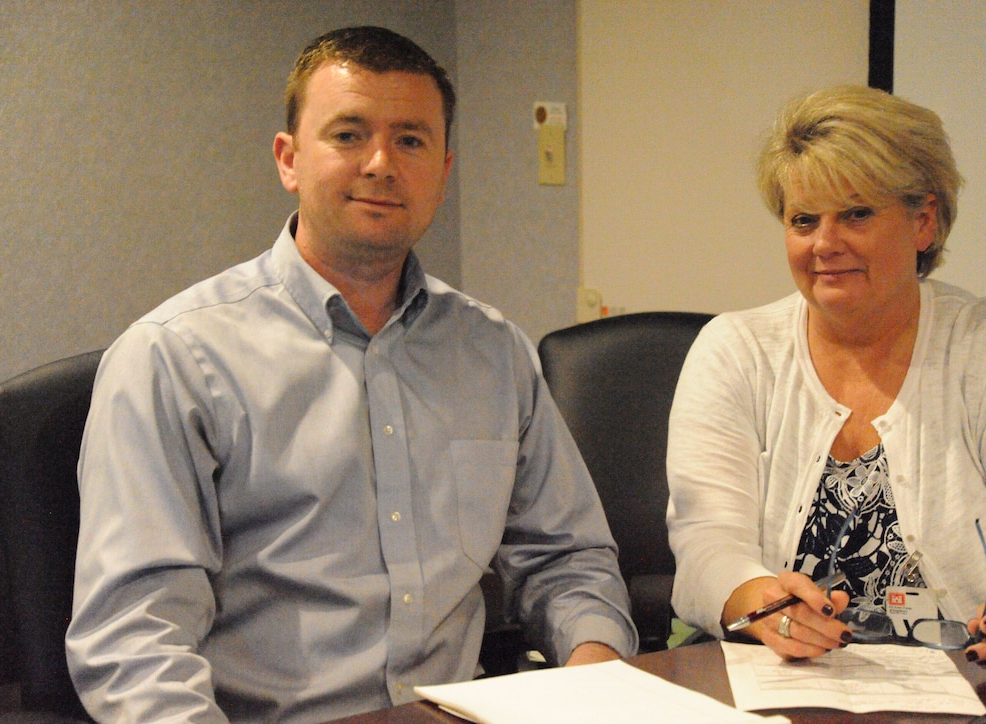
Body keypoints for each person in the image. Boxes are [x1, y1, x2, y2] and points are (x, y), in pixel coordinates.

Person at [66, 26, 637, 722]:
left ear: (444, 169)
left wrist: (596, 679)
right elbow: (135, 640)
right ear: (289, 159)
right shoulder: (174, 358)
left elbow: (567, 559)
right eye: (347, 134)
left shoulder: (493, 353)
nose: (380, 163)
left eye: (411, 140)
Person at [666, 85, 986, 671]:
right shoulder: (736, 350)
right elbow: (707, 543)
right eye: (804, 220)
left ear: (923, 222)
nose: (825, 244)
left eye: (856, 213)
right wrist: (757, 601)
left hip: (975, 684)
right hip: (780, 682)